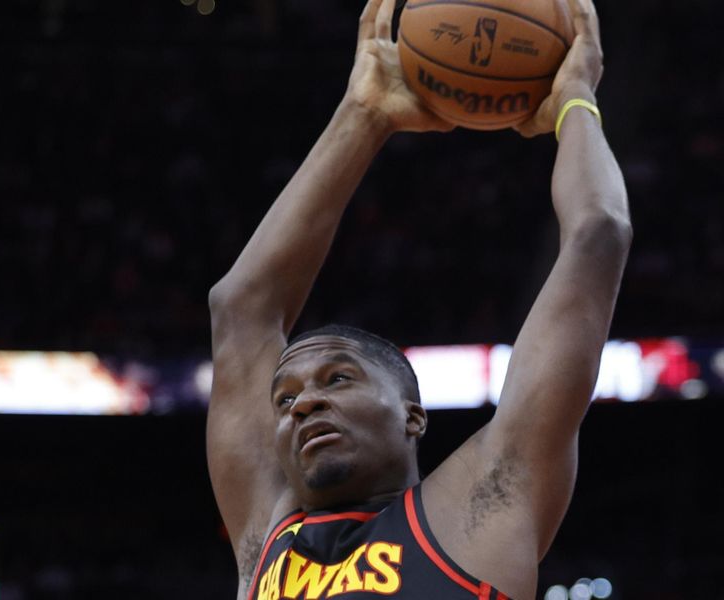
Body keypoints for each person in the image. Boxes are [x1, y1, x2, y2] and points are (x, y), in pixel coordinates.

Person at [207, 0, 631, 597]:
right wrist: (363, 113)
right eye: (284, 398)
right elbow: (240, 307)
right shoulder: (265, 537)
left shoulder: (484, 507)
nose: (301, 405)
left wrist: (576, 102)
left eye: (337, 379)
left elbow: (598, 235)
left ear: (413, 414)